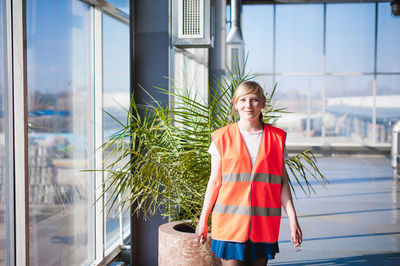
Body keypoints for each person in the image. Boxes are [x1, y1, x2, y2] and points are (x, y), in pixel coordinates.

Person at [195, 81, 302, 266]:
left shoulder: (277, 139)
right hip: (229, 225)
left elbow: (282, 183)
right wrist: (203, 218)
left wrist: (293, 220)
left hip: (263, 226)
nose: (248, 105)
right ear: (235, 103)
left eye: (254, 100)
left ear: (263, 103)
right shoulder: (221, 137)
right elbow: (214, 182)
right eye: (243, 100)